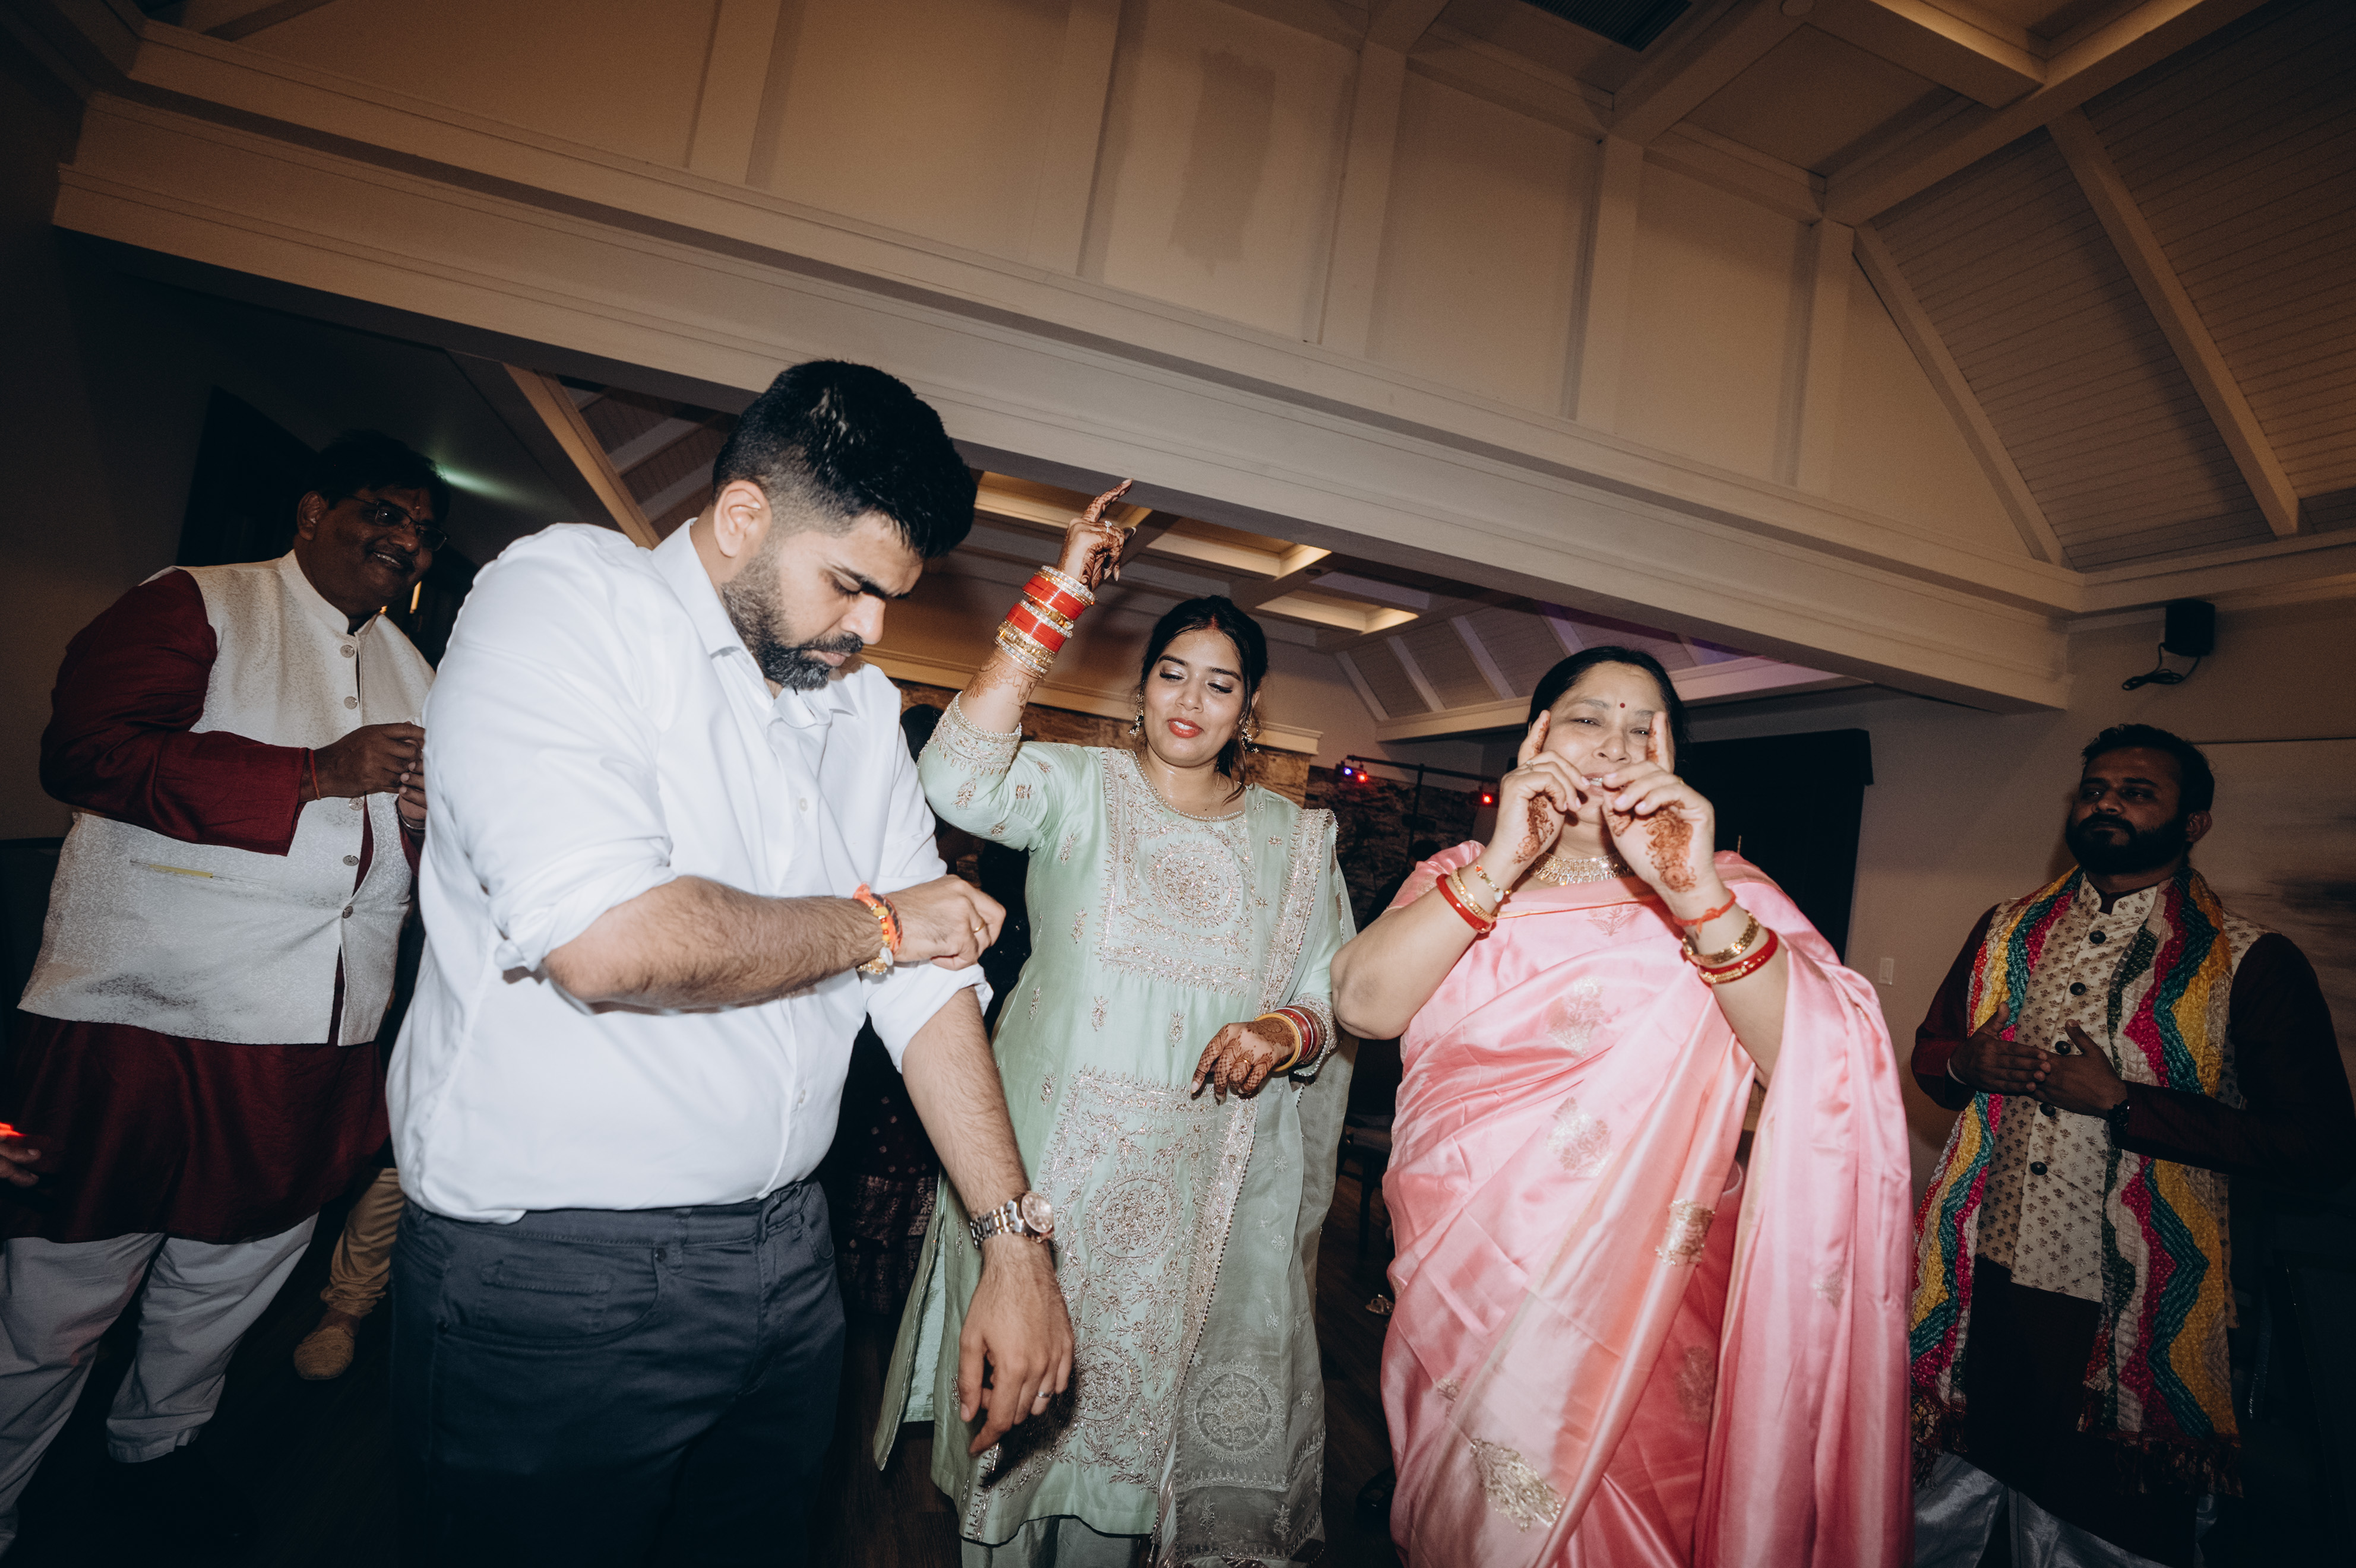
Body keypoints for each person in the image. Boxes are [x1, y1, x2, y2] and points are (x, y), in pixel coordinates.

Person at [388, 360, 1072, 1567]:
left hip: (791, 1261)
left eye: (890, 598)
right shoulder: (567, 600)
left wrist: (1014, 1244)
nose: (872, 629)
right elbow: (607, 940)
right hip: (556, 1269)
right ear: (745, 515)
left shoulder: (857, 708)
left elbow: (926, 986)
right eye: (851, 585)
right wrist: (878, 924)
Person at [1332, 646, 1912, 1568]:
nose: (1614, 744)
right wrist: (1505, 859)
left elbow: (1823, 1053)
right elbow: (1365, 1004)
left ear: (1670, 757)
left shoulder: (1723, 886)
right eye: (1588, 718)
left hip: (1650, 1288)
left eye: (1643, 728)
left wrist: (1693, 892)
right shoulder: (1460, 871)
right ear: (1536, 738)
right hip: (1468, 1270)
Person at [878, 487, 1355, 1567]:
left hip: (1187, 1194)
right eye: (1172, 673)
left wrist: (1283, 1030)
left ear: (1250, 707)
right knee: (1017, 1435)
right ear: (1141, 689)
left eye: (1220, 683)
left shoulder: (1294, 842)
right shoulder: (1074, 787)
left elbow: (1336, 993)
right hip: (1043, 1172)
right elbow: (953, 779)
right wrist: (1058, 592)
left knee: (1125, 1458)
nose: (1192, 699)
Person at [0, 430, 444, 1557]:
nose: (406, 541)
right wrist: (315, 772)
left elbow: (420, 860)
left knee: (234, 1275)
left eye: (421, 530)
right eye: (383, 513)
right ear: (312, 511)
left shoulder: (421, 670)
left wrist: (425, 826)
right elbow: (86, 751)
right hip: (144, 1016)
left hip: (322, 1035)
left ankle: (158, 1447)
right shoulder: (195, 601)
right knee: (63, 1293)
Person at [1908, 724, 2354, 1568]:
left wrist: (2125, 1103)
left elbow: (2318, 1148)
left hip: (2125, 1306)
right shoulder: (2005, 928)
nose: (2107, 804)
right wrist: (1968, 1062)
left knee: (2098, 1522)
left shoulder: (2252, 960)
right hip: (1979, 1283)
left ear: (2195, 823)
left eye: (2138, 792)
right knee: (1947, 1495)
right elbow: (1933, 1054)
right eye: (2096, 789)